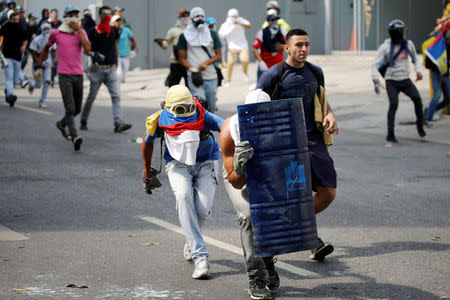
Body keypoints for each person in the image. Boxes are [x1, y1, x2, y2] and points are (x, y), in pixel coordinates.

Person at [258, 28, 338, 263]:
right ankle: (310, 240)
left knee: (327, 192)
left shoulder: (315, 72)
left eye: (306, 44)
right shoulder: (273, 75)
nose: (303, 49)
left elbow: (321, 99)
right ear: (287, 48)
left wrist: (331, 114)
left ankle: (285, 226)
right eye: (298, 45)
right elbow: (255, 108)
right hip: (285, 145)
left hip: (313, 139)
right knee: (293, 194)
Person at [141, 85, 223, 279]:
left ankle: (191, 240)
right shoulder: (161, 119)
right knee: (183, 197)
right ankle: (200, 257)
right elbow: (147, 142)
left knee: (203, 211)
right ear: (169, 108)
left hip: (206, 161)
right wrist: (147, 172)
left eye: (188, 107)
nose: (186, 113)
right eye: (179, 109)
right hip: (177, 164)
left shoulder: (202, 115)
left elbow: (226, 127)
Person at [220, 89, 279, 300]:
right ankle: (257, 278)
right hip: (238, 174)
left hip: (266, 171)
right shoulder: (230, 130)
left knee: (270, 215)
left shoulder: (279, 124)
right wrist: (240, 164)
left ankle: (268, 262)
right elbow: (236, 182)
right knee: (248, 215)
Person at [39, 5, 91, 151]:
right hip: (64, 75)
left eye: (76, 14)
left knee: (77, 109)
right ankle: (75, 136)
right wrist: (39, 64)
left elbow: (88, 50)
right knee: (70, 107)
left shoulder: (81, 33)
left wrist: (79, 30)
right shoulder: (56, 33)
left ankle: (62, 124)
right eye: (71, 14)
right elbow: (46, 47)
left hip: (78, 74)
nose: (74, 17)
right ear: (65, 17)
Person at [371, 20, 426, 144]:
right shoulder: (385, 47)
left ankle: (420, 126)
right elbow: (374, 65)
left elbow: (416, 60)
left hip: (405, 80)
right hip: (391, 81)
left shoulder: (408, 44)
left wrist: (418, 71)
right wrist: (376, 80)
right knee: (394, 104)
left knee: (417, 99)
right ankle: (390, 134)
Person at [80, 5, 132, 133]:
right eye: (104, 15)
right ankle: (83, 120)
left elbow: (115, 46)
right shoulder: (93, 31)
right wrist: (93, 54)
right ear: (99, 16)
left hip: (111, 69)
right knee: (91, 97)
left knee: (116, 96)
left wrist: (116, 63)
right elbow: (86, 49)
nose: (107, 17)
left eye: (109, 15)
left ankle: (118, 123)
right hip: (97, 69)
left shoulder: (113, 31)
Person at [177, 7, 222, 112]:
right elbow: (182, 59)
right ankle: (201, 128)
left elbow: (219, 55)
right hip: (194, 77)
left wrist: (206, 63)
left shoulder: (212, 34)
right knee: (200, 107)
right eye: (197, 16)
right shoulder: (184, 36)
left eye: (202, 16)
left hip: (211, 76)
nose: (200, 18)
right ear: (191, 18)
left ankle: (209, 127)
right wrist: (192, 69)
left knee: (211, 107)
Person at [154, 9, 190, 88]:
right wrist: (160, 42)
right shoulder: (173, 31)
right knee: (173, 87)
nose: (186, 17)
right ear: (180, 17)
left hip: (189, 63)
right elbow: (165, 45)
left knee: (190, 87)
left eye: (187, 15)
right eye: (184, 15)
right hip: (176, 63)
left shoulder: (192, 30)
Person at [424, 21, 450, 127]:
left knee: (448, 98)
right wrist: (437, 67)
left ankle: (430, 110)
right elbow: (429, 59)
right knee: (437, 95)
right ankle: (428, 119)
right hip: (436, 73)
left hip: (445, 73)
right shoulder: (437, 42)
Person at [0, 11, 28, 107]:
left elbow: (26, 38)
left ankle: (8, 91)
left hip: (17, 57)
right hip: (7, 57)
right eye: (14, 19)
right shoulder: (5, 27)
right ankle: (10, 96)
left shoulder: (20, 27)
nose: (16, 21)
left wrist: (24, 46)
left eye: (17, 19)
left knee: (15, 79)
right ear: (10, 19)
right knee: (9, 78)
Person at [218, 8, 251, 86]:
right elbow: (221, 35)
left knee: (245, 60)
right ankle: (228, 81)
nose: (234, 18)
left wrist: (239, 23)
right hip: (232, 47)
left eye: (235, 16)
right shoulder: (225, 25)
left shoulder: (240, 20)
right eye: (232, 16)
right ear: (229, 16)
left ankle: (245, 72)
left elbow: (248, 26)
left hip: (243, 46)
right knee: (230, 63)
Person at [252, 14, 287, 82]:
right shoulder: (262, 33)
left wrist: (282, 47)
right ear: (268, 22)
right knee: (261, 90)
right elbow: (254, 48)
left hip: (278, 66)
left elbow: (290, 46)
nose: (275, 22)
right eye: (272, 20)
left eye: (276, 20)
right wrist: (261, 62)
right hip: (266, 66)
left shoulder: (283, 32)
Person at [28, 22, 54, 108]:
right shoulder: (37, 39)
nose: (47, 31)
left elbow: (54, 50)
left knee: (47, 81)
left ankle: (42, 101)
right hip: (37, 61)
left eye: (48, 29)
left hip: (47, 60)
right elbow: (32, 51)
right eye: (45, 29)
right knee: (38, 83)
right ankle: (32, 85)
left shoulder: (52, 40)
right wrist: (38, 62)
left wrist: (54, 61)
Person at [111, 15, 137, 83]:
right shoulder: (111, 31)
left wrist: (134, 49)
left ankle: (121, 81)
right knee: (118, 72)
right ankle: (117, 85)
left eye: (119, 21)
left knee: (125, 71)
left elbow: (132, 40)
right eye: (116, 21)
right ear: (113, 22)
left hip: (126, 54)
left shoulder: (126, 30)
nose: (118, 22)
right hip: (117, 55)